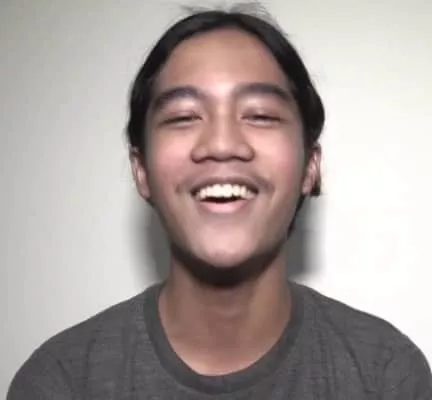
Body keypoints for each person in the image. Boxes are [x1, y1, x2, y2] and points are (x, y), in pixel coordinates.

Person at [7, 5, 432, 400]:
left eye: (261, 115)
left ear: (309, 166)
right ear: (141, 170)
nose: (222, 144)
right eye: (183, 117)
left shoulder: (385, 375)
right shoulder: (61, 382)